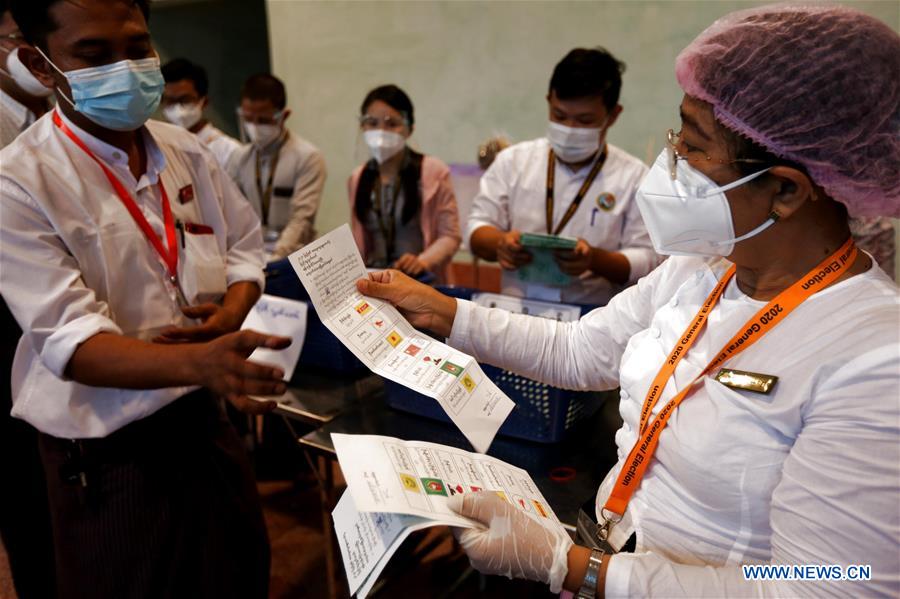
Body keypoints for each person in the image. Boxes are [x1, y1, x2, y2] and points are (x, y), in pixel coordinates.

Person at [356, 5, 900, 597]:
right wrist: (441, 311)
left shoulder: (872, 361)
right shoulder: (705, 270)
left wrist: (577, 568)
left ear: (787, 190)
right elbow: (580, 352)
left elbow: (822, 582)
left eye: (692, 147)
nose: (671, 163)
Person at [2, 1, 292, 597]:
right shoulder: (20, 181)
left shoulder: (183, 150)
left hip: (203, 423)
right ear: (39, 62)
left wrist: (232, 311)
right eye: (94, 55)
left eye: (137, 48)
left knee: (239, 575)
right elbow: (70, 341)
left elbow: (242, 247)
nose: (126, 69)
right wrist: (201, 361)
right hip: (108, 455)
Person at [468, 48, 660, 305]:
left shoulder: (634, 177)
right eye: (559, 116)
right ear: (549, 100)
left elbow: (648, 259)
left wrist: (594, 259)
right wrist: (500, 244)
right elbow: (477, 227)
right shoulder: (513, 161)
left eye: (584, 120)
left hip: (591, 316)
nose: (569, 129)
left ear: (613, 115)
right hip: (515, 309)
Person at [0, 5, 57, 599]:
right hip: (9, 341)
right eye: (21, 40)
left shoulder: (62, 117)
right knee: (27, 505)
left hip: (66, 343)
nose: (36, 55)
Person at [348, 84, 461, 282]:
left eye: (392, 123)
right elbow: (360, 241)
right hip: (377, 281)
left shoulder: (433, 171)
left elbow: (450, 236)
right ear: (362, 126)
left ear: (409, 129)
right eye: (372, 123)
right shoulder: (358, 177)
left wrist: (422, 261)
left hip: (422, 281)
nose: (381, 131)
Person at [227, 73, 326, 259]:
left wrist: (277, 258)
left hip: (295, 257)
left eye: (264, 120)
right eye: (248, 119)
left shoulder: (307, 157)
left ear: (284, 116)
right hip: (252, 255)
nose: (254, 126)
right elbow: (231, 212)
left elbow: (301, 219)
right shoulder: (239, 157)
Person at [160, 56, 241, 169]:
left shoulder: (230, 151)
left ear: (204, 102)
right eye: (170, 101)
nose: (177, 108)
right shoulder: (158, 148)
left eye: (185, 100)